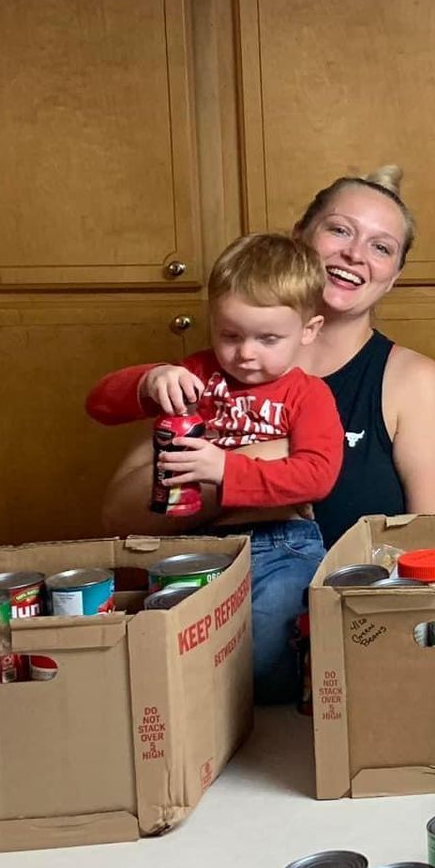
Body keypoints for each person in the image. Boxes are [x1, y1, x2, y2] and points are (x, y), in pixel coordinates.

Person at [103, 166, 435, 552]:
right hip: (213, 598)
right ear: (299, 236)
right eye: (339, 230)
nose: (354, 254)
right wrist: (263, 458)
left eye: (381, 247)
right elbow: (120, 518)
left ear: (393, 276)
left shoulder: (414, 381)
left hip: (350, 607)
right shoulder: (218, 367)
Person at [85, 233, 342, 705]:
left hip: (281, 545)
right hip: (191, 545)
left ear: (308, 330)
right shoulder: (198, 376)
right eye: (230, 335)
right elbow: (99, 405)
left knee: (264, 656)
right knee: (172, 654)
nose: (245, 353)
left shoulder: (309, 395)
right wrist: (150, 379)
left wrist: (226, 469)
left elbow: (317, 475)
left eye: (268, 339)